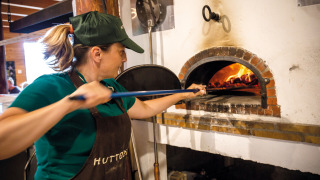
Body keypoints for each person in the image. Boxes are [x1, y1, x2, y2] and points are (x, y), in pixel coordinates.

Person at [0, 11, 206, 179]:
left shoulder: (112, 87)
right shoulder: (51, 86)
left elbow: (145, 108)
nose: (124, 59)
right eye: (121, 51)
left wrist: (183, 94)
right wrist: (71, 103)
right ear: (97, 53)